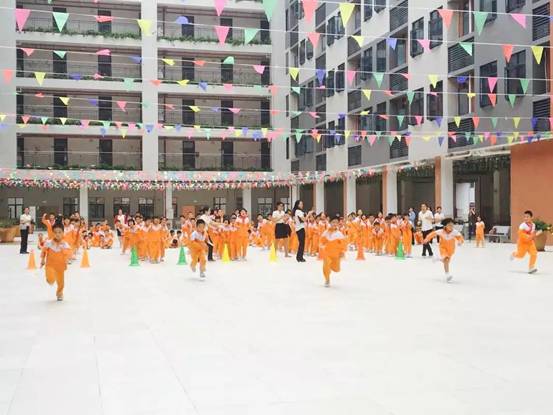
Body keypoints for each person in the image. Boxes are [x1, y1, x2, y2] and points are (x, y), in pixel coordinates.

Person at [423, 218, 464, 283]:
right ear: (445, 226)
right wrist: (427, 239)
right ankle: (447, 275)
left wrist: (460, 241)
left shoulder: (455, 232)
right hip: (443, 248)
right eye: (449, 225)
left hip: (451, 249)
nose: (451, 227)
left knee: (446, 261)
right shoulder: (441, 231)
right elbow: (432, 234)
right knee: (446, 260)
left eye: (452, 225)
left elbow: (460, 237)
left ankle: (438, 258)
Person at [40, 220, 72, 301]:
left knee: (61, 282)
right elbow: (43, 251)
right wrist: (42, 260)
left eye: (59, 232)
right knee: (50, 280)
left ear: (63, 233)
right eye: (55, 232)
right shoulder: (48, 243)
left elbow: (69, 253)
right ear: (52, 233)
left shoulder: (65, 244)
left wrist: (65, 254)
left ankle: (59, 293)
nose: (57, 234)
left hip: (60, 266)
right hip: (50, 265)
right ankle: (50, 280)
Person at [319, 215, 347, 287]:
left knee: (336, 269)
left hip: (336, 254)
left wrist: (342, 252)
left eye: (336, 222)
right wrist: (322, 245)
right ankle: (327, 279)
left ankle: (330, 267)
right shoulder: (326, 232)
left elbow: (343, 244)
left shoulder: (339, 234)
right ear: (330, 223)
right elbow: (321, 241)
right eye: (333, 222)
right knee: (326, 265)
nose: (335, 224)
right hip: (327, 253)